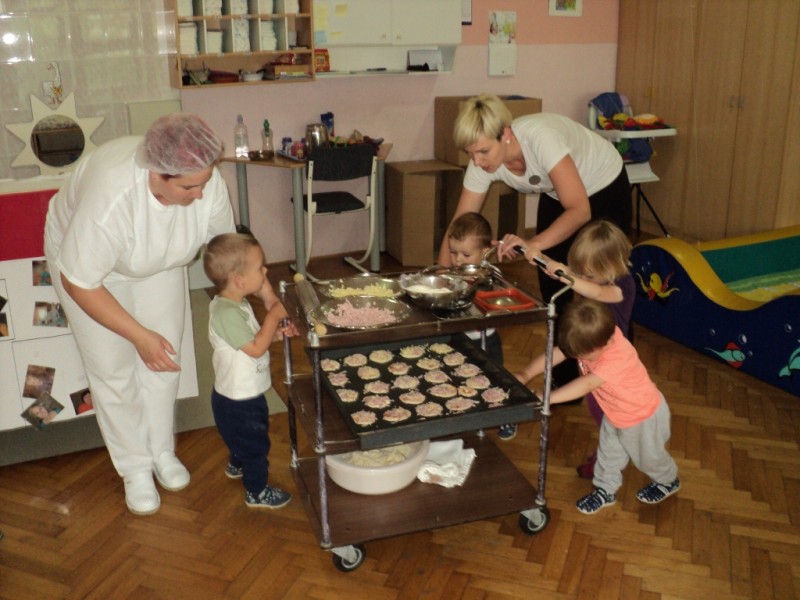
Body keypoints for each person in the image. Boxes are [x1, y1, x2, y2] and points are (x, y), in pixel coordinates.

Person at [44, 113, 236, 516]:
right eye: (188, 187)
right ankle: (134, 468)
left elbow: (228, 250)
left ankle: (161, 450)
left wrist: (264, 293)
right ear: (156, 175)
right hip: (90, 273)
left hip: (158, 263)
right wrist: (138, 335)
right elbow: (81, 283)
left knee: (164, 358)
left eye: (204, 183)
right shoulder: (113, 200)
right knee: (113, 369)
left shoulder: (204, 181)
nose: (200, 193)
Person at [440, 93, 631, 386]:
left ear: (505, 134)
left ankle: (621, 372)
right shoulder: (481, 162)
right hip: (559, 192)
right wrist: (442, 283)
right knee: (552, 282)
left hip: (604, 184)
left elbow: (580, 210)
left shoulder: (542, 140)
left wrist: (536, 243)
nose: (477, 162)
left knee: (608, 281)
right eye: (470, 154)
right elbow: (458, 227)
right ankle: (565, 379)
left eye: (483, 151)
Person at [514, 298, 680, 514]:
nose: (578, 358)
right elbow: (556, 353)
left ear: (607, 342)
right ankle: (605, 490)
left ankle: (668, 480)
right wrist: (525, 374)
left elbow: (586, 384)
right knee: (608, 455)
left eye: (582, 355)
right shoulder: (594, 339)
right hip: (614, 413)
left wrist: (548, 397)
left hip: (642, 417)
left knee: (649, 459)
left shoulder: (617, 356)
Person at [203, 232, 297, 509]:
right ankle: (256, 492)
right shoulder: (226, 314)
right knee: (256, 445)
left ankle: (237, 463)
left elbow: (250, 341)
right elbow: (255, 349)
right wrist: (274, 316)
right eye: (259, 268)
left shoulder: (235, 304)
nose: (265, 271)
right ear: (240, 280)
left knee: (240, 437)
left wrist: (276, 335)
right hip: (239, 400)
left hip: (240, 393)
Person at [535, 220, 635, 478]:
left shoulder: (622, 287)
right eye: (580, 272)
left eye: (586, 274)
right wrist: (547, 262)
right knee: (599, 411)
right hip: (593, 359)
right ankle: (612, 448)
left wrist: (567, 276)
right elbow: (585, 280)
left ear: (611, 266)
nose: (581, 278)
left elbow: (596, 290)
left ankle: (609, 459)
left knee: (610, 416)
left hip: (613, 366)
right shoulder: (597, 276)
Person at [446, 212, 515, 440]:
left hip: (487, 340)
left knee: (496, 379)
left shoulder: (490, 276)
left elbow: (498, 300)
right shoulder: (453, 274)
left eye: (466, 254)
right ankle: (471, 413)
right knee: (462, 377)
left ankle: (504, 416)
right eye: (454, 253)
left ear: (485, 252)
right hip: (461, 338)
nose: (458, 260)